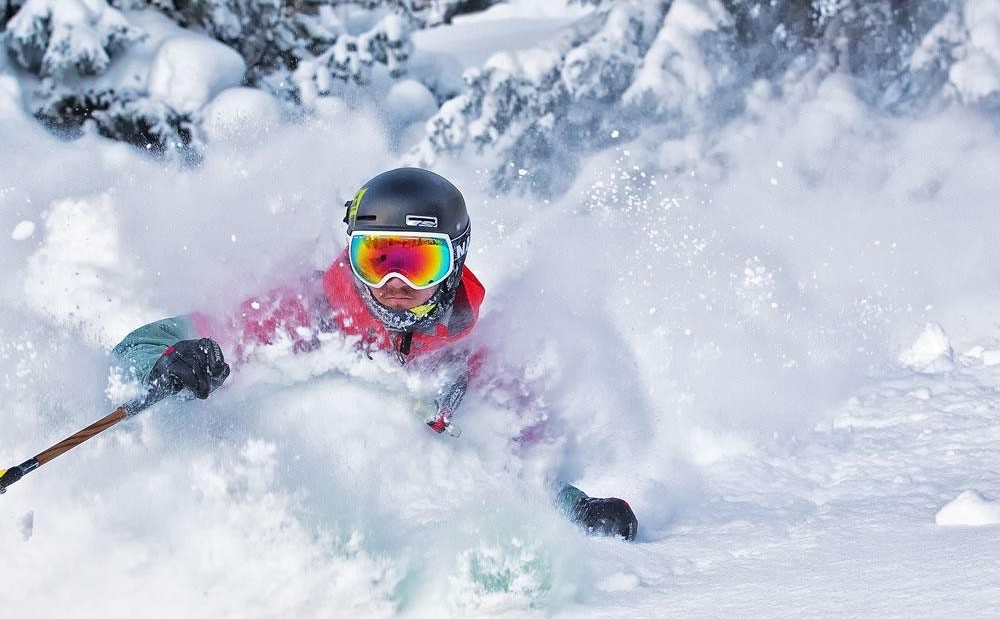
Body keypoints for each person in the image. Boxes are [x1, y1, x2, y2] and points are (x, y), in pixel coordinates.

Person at [112, 166, 638, 540]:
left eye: (418, 264)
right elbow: (136, 348)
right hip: (264, 529)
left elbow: (514, 464)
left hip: (402, 548)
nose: (392, 284)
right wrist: (171, 360)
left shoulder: (471, 364)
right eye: (376, 258)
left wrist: (576, 508)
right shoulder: (297, 314)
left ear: (455, 261)